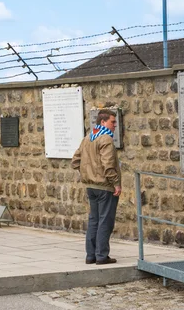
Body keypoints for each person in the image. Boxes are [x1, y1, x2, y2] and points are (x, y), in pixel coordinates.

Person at [71, 109, 121, 265]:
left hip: (91, 186)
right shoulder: (106, 139)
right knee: (105, 221)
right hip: (104, 187)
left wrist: (88, 173)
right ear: (103, 122)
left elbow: (75, 161)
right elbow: (108, 165)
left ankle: (90, 255)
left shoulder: (88, 138)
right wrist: (116, 183)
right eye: (112, 122)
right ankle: (101, 255)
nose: (115, 125)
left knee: (94, 220)